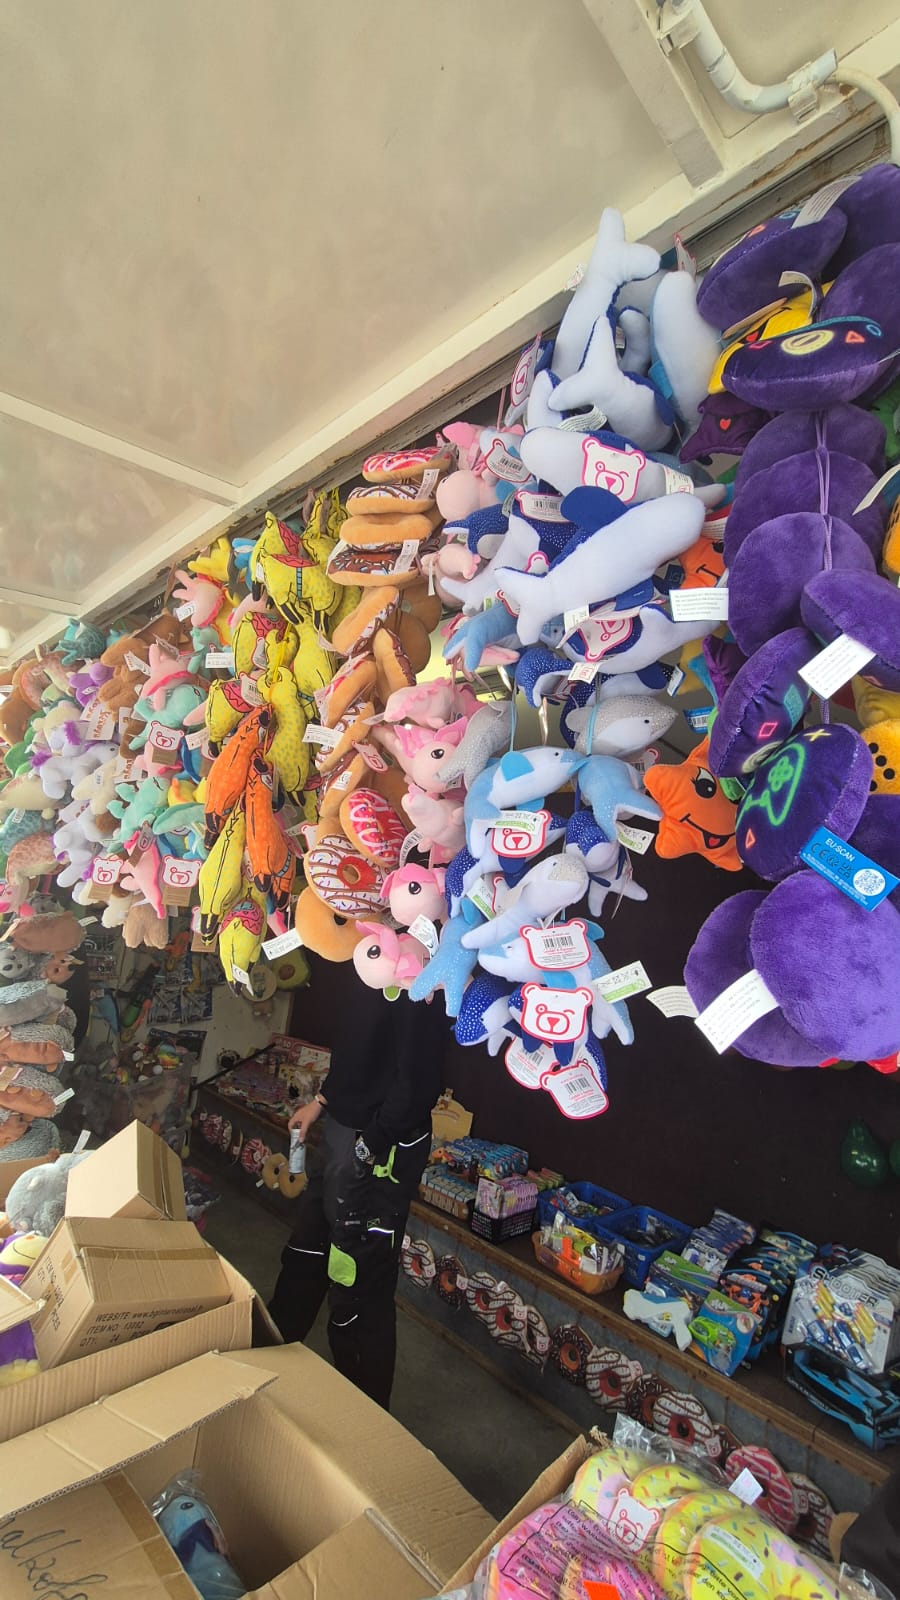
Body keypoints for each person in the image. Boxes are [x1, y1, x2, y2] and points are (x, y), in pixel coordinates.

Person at [268, 984, 447, 1409]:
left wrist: (371, 1145)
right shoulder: (366, 961)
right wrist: (321, 1102)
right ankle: (265, 1368)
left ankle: (365, 1418)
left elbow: (419, 1082)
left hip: (380, 1148)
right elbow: (361, 1046)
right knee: (306, 1253)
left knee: (358, 1286)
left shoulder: (416, 971)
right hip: (342, 1133)